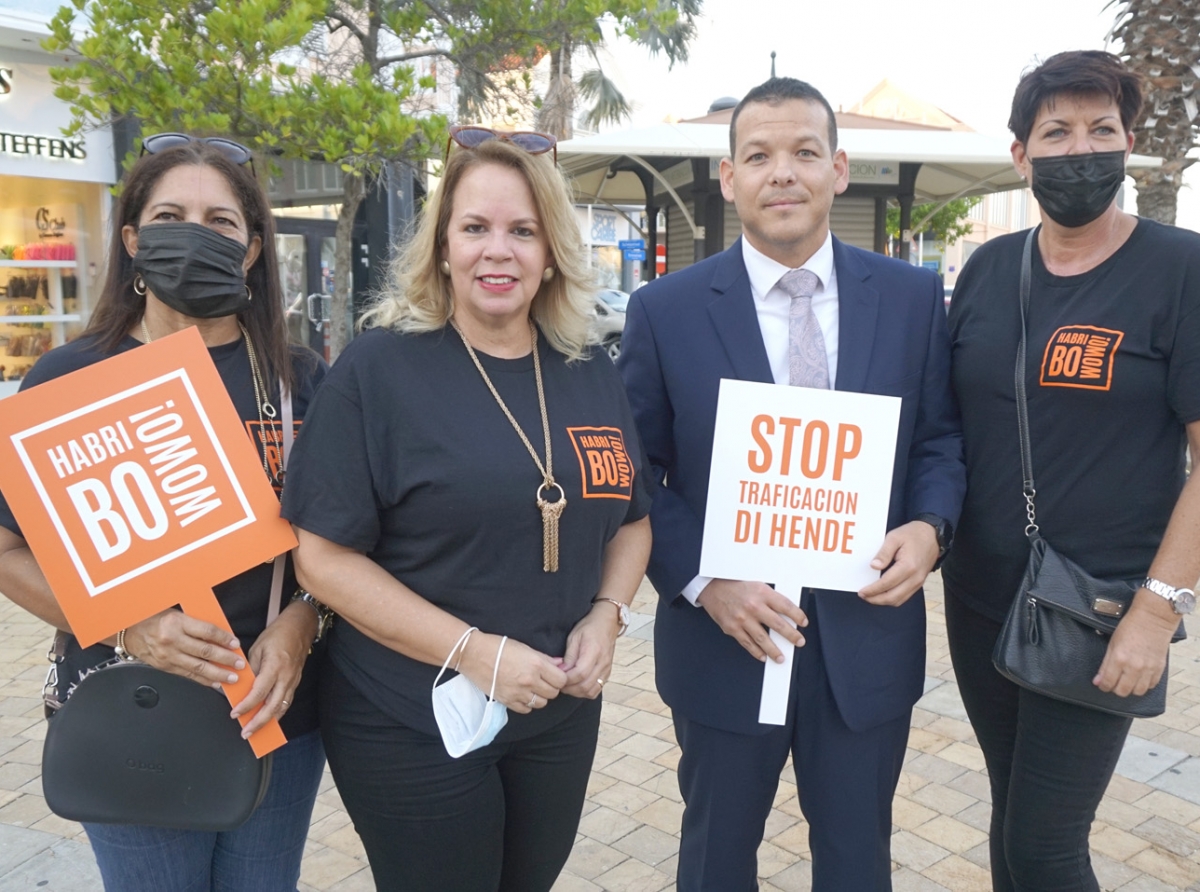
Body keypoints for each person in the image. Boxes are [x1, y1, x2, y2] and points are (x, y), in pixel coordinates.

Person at [280, 129, 653, 891]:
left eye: (522, 231)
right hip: (410, 716)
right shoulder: (378, 371)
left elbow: (634, 519)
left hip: (556, 710)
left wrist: (606, 615)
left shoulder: (586, 370)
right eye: (475, 228)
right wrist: (476, 653)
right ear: (442, 245)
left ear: (551, 251)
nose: (499, 251)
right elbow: (321, 558)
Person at [618, 77, 966, 891]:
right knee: (713, 862)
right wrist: (706, 582)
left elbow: (940, 438)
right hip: (725, 640)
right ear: (729, 176)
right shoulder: (665, 310)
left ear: (838, 169)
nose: (784, 172)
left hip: (866, 643)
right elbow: (635, 473)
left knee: (856, 864)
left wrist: (930, 527)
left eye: (805, 152)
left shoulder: (913, 299)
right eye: (759, 155)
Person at [0, 134, 329, 892]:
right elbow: (7, 549)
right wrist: (129, 625)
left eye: (221, 221)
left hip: (271, 712)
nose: (196, 235)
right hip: (128, 710)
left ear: (250, 250)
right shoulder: (68, 378)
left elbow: (338, 545)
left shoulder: (298, 381)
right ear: (133, 240)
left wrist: (301, 621)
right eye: (171, 215)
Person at [944, 50, 1200, 892]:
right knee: (1011, 822)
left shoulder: (1180, 270)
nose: (1079, 148)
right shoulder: (987, 268)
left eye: (1101, 129)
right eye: (1056, 132)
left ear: (1128, 143)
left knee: (1048, 847)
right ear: (1021, 156)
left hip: (1100, 608)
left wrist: (1157, 612)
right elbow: (948, 425)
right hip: (982, 600)